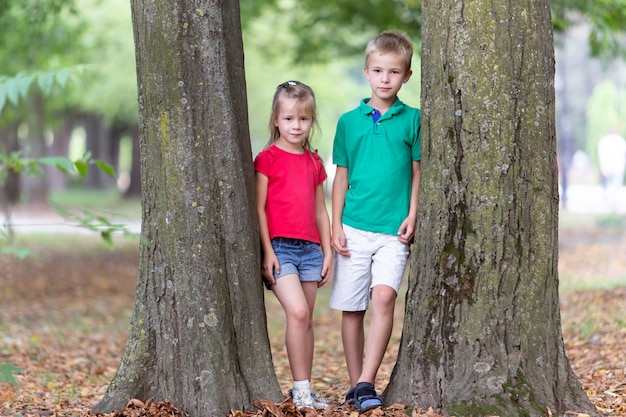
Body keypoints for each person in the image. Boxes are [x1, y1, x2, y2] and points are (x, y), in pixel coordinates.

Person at [330, 31, 421, 412]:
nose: (385, 79)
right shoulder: (349, 122)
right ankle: (356, 387)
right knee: (352, 309)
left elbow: (418, 174)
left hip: (392, 232)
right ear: (366, 71)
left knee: (384, 296)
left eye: (394, 72)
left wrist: (413, 213)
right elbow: (341, 176)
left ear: (407, 76)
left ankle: (367, 381)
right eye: (379, 70)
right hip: (352, 227)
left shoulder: (413, 120)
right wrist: (335, 224)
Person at [254, 80, 332, 409]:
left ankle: (304, 386)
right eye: (288, 119)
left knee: (306, 320)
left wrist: (328, 252)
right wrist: (268, 251)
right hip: (281, 249)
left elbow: (319, 210)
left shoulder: (314, 162)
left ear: (311, 120)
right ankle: (299, 392)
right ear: (276, 119)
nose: (295, 125)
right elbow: (258, 207)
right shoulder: (267, 159)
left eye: (302, 119)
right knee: (297, 313)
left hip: (311, 251)